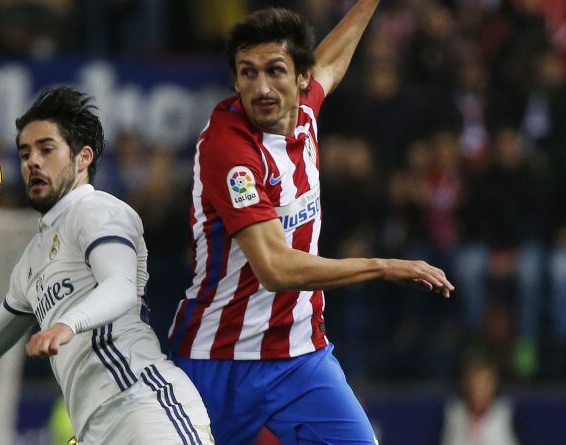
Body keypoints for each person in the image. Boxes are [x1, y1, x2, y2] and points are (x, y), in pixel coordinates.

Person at [167, 5, 454, 444]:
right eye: (247, 73)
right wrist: (382, 267)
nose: (261, 87)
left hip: (300, 356)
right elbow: (275, 269)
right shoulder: (229, 149)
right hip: (217, 361)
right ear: (234, 80)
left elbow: (333, 62)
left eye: (274, 70)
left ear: (303, 78)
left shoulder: (303, 114)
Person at [0, 87, 214, 445]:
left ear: (83, 158)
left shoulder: (97, 211)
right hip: (93, 430)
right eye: (24, 153)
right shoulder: (32, 259)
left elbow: (120, 286)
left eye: (46, 150)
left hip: (145, 408)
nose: (32, 162)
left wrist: (67, 324)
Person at [440, 355, 519, 445]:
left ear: (494, 385)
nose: (480, 389)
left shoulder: (503, 413)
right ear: (465, 383)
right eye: (475, 382)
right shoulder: (455, 413)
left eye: (485, 383)